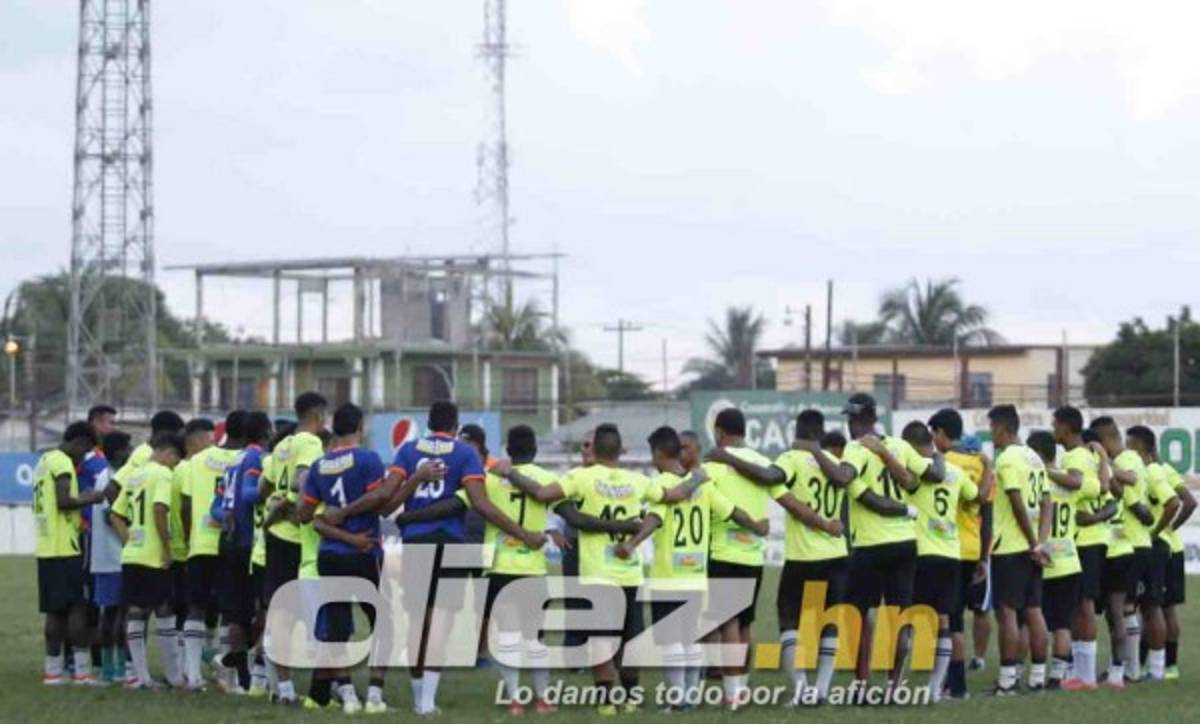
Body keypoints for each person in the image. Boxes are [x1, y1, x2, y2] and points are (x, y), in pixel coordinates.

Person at [496, 423, 705, 715]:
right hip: (629, 571)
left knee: (600, 639)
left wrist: (510, 473)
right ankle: (631, 699)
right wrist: (697, 478)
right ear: (620, 450)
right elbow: (675, 495)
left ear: (594, 450)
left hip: (597, 571)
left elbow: (543, 494)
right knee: (630, 637)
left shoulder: (581, 476)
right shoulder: (638, 480)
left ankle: (606, 701)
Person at [616, 426, 766, 711]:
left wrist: (632, 544)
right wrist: (757, 526)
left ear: (659, 453)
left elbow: (654, 519)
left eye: (653, 454)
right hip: (697, 577)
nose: (652, 460)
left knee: (671, 640)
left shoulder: (665, 484)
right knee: (691, 639)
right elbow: (732, 511)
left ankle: (677, 701)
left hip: (668, 577)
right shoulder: (704, 485)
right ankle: (690, 698)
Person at [705, 410, 847, 704]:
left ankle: (786, 691)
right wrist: (829, 525)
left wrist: (727, 458)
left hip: (794, 555)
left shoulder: (786, 460)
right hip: (829, 553)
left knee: (783, 621)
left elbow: (786, 496)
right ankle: (820, 689)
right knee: (826, 623)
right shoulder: (834, 462)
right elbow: (787, 499)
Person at [838, 393, 942, 684]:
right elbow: (933, 474)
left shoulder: (855, 448)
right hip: (906, 543)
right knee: (899, 617)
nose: (849, 424)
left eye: (850, 418)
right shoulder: (901, 445)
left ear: (857, 420)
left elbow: (846, 479)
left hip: (871, 545)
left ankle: (861, 683)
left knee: (858, 616)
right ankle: (894, 683)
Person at [295, 403, 389, 714]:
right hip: (364, 551)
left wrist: (325, 514)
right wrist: (347, 513)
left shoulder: (320, 465)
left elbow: (307, 514)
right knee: (383, 624)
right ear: (360, 427)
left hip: (330, 555)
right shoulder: (368, 459)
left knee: (336, 627)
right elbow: (378, 497)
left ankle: (348, 697)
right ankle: (374, 697)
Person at [701, 408, 794, 708]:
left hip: (722, 552)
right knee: (745, 625)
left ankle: (732, 693)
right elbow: (786, 499)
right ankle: (741, 686)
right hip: (754, 556)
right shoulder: (762, 463)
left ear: (719, 432)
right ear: (744, 432)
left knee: (728, 622)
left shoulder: (713, 466)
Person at [903, 421, 978, 703]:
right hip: (951, 554)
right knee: (947, 620)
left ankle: (897, 684)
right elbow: (977, 498)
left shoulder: (914, 472)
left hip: (921, 552)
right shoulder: (956, 472)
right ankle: (942, 688)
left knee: (907, 619)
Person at [260, 392, 328, 704]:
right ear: (319, 415)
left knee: (280, 613)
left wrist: (279, 503)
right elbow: (304, 482)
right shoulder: (310, 443)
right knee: (307, 614)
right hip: (297, 538)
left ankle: (281, 688)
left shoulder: (280, 446)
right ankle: (323, 686)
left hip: (275, 534)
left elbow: (264, 488)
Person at [109, 431, 187, 688]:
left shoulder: (135, 475)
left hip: (132, 554)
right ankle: (174, 676)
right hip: (154, 556)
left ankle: (141, 677)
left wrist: (129, 539)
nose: (174, 465)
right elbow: (159, 509)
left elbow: (115, 514)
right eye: (175, 460)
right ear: (167, 453)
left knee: (135, 612)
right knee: (164, 609)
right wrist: (166, 548)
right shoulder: (162, 473)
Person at [927, 409, 994, 698]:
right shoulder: (979, 464)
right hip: (972, 548)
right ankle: (952, 681)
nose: (932, 440)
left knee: (948, 620)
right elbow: (987, 513)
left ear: (942, 433)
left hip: (947, 548)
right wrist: (983, 556)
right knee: (969, 614)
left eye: (933, 434)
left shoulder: (940, 463)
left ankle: (954, 685)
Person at [35, 421, 107, 685]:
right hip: (68, 547)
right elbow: (64, 501)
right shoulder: (63, 463)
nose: (82, 457)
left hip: (47, 547)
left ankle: (53, 671)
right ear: (79, 443)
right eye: (84, 450)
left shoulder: (44, 461)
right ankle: (82, 671)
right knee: (78, 607)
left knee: (54, 612)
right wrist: (92, 497)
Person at [986, 404, 1050, 695]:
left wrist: (1033, 541)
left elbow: (1016, 502)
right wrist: (1040, 541)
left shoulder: (1007, 459)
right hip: (1031, 547)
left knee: (1008, 612)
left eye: (991, 428)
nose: (991, 434)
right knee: (1034, 610)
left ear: (1001, 427)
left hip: (1010, 547)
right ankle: (1037, 676)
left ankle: (1008, 680)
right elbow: (1047, 502)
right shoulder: (1034, 457)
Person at [180, 410, 245, 691]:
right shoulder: (245, 460)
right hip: (231, 544)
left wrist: (190, 536)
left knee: (196, 607)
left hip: (201, 544)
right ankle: (225, 674)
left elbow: (185, 505)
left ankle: (193, 676)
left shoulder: (197, 460)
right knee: (229, 612)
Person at [1051, 407, 1114, 690]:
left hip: (1086, 540)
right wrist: (1101, 456)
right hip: (1092, 537)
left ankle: (1086, 675)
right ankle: (1079, 670)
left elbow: (1078, 484)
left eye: (1055, 424)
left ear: (1065, 427)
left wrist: (1047, 471)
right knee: (1080, 605)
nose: (1053, 430)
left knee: (1084, 606)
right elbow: (1103, 488)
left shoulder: (1075, 456)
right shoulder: (1088, 455)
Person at [1028, 430, 1095, 690]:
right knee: (1063, 624)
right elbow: (1097, 490)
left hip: (1044, 560)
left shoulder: (1036, 480)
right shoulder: (1069, 482)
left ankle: (1036, 673)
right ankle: (1058, 676)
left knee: (1039, 621)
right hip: (1070, 560)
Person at [1090, 416, 1152, 686]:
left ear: (1105, 441)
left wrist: (1103, 460)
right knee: (1121, 609)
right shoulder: (1120, 462)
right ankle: (1127, 668)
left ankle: (1128, 669)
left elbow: (1129, 479)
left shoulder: (1126, 459)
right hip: (1122, 541)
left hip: (1130, 543)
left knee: (1124, 608)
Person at [213, 412, 272, 695]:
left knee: (237, 612)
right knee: (262, 608)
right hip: (249, 543)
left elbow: (218, 503)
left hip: (228, 541)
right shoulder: (255, 459)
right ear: (264, 432)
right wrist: (267, 491)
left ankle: (240, 673)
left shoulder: (232, 459)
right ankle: (252, 669)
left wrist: (226, 515)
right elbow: (249, 494)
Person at [1128, 425, 1178, 681]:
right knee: (1145, 606)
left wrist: (1157, 532)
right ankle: (1144, 666)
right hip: (1145, 545)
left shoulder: (1153, 472)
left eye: (1130, 445)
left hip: (1154, 547)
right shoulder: (1142, 472)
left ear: (1139, 447)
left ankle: (1157, 668)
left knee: (1152, 606)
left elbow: (1174, 502)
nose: (1127, 450)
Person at [1151, 449, 1196, 679]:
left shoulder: (1160, 471)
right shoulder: (1165, 470)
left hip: (1164, 548)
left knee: (1156, 607)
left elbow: (1189, 502)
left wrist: (1168, 528)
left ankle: (1166, 664)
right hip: (1171, 549)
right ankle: (1169, 665)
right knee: (1165, 608)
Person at [92, 430, 132, 684]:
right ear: (119, 452)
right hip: (118, 554)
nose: (132, 451)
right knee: (122, 614)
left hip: (103, 556)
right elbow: (111, 517)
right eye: (129, 447)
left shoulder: (101, 476)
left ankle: (109, 667)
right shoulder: (116, 479)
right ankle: (122, 667)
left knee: (110, 613)